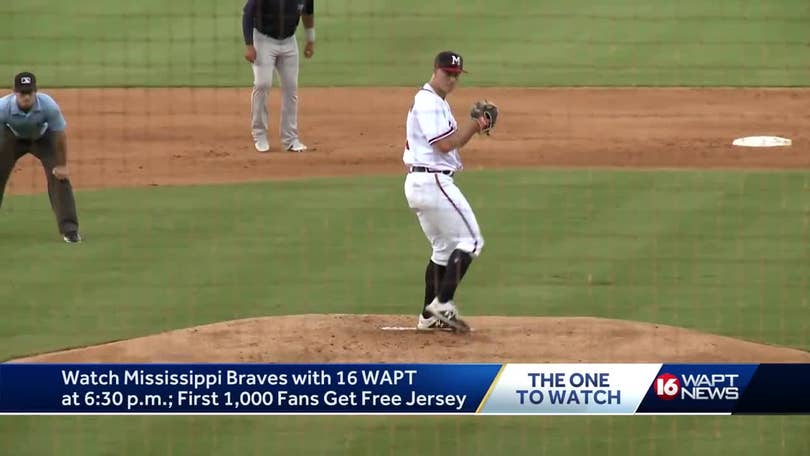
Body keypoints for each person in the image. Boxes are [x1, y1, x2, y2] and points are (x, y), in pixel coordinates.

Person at [402, 51, 498, 333]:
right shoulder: (428, 102)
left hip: (423, 183)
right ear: (435, 71)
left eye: (456, 75)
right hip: (433, 183)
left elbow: (450, 142)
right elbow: (445, 145)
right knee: (471, 241)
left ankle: (428, 315)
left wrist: (474, 127)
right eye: (448, 73)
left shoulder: (436, 102)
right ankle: (442, 303)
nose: (452, 79)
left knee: (443, 249)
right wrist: (478, 124)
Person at [0, 72, 81, 244]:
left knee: (59, 178)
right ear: (15, 92)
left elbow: (59, 136)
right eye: (22, 93)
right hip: (13, 138)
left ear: (36, 91)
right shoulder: (2, 107)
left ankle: (70, 230)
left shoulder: (48, 106)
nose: (26, 97)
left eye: (30, 92)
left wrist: (62, 165)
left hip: (43, 139)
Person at [243, 0, 315, 153]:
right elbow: (248, 13)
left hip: (289, 42)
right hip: (263, 40)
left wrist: (310, 40)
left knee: (291, 89)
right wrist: (249, 45)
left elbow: (307, 13)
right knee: (262, 84)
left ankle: (290, 139)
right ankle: (259, 134)